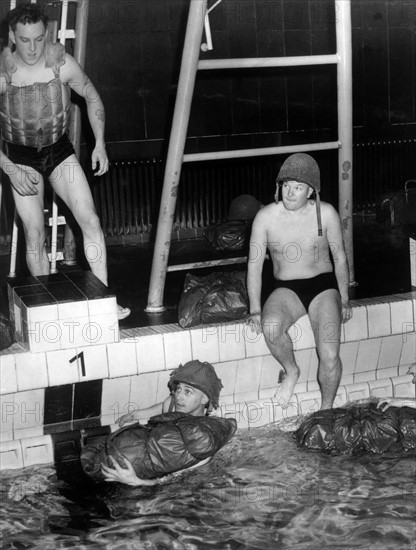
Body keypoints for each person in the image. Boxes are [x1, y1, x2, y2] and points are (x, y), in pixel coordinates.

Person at [0, 3, 130, 320]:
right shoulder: (3, 73)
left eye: (39, 39)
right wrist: (10, 169)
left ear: (48, 35)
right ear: (12, 37)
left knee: (91, 221)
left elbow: (92, 95)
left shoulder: (62, 64)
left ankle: (103, 302)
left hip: (58, 150)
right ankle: (46, 308)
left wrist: (100, 143)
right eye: (25, 39)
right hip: (19, 157)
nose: (32, 48)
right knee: (35, 234)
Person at [247, 153, 352, 410]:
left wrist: (345, 299)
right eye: (286, 186)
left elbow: (339, 258)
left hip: (323, 287)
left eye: (298, 187)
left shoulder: (325, 214)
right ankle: (291, 370)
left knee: (328, 356)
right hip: (286, 289)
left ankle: (326, 410)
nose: (290, 193)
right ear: (278, 187)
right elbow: (255, 264)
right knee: (271, 327)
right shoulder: (266, 217)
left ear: (310, 191)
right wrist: (255, 309)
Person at [81, 360, 236, 487]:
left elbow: (175, 479)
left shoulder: (203, 441)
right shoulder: (172, 404)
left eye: (188, 391)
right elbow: (160, 407)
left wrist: (136, 482)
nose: (179, 396)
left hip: (186, 483)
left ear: (204, 399)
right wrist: (136, 414)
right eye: (178, 389)